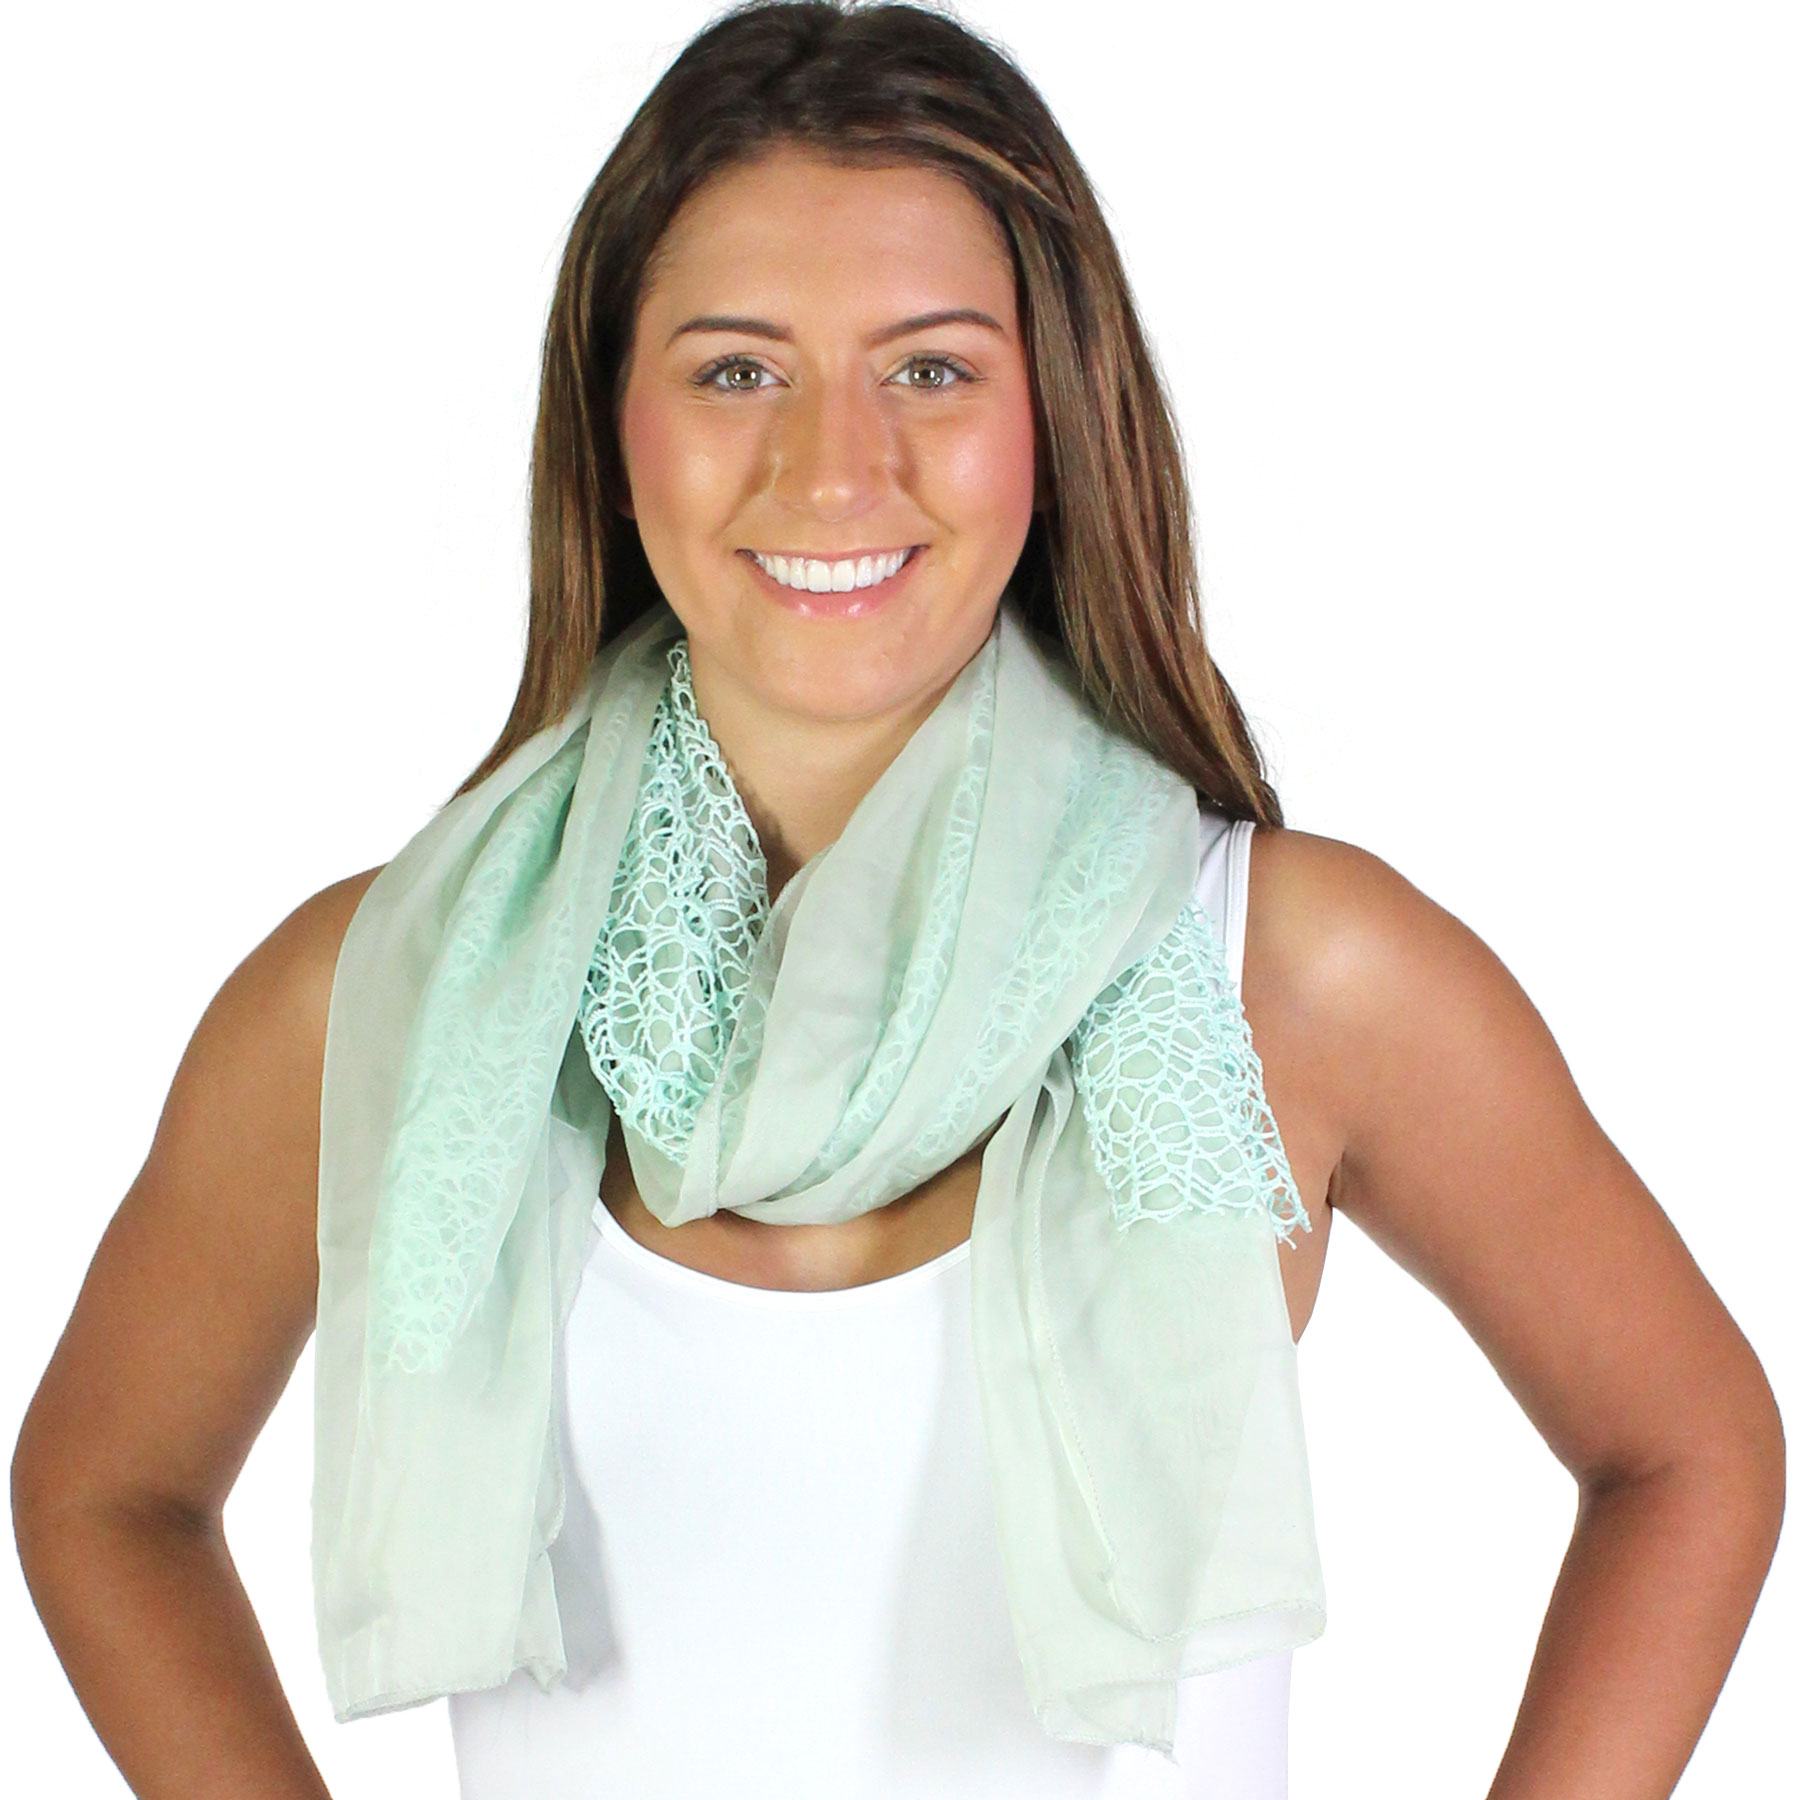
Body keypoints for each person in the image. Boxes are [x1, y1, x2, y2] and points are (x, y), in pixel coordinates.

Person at [11, 4, 1783, 1797]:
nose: (834, 468)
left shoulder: (1287, 971)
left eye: (931, 370)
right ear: (613, 423)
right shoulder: (385, 998)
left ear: (1053, 412)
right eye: (736, 371)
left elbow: (1688, 1450)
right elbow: (103, 1491)